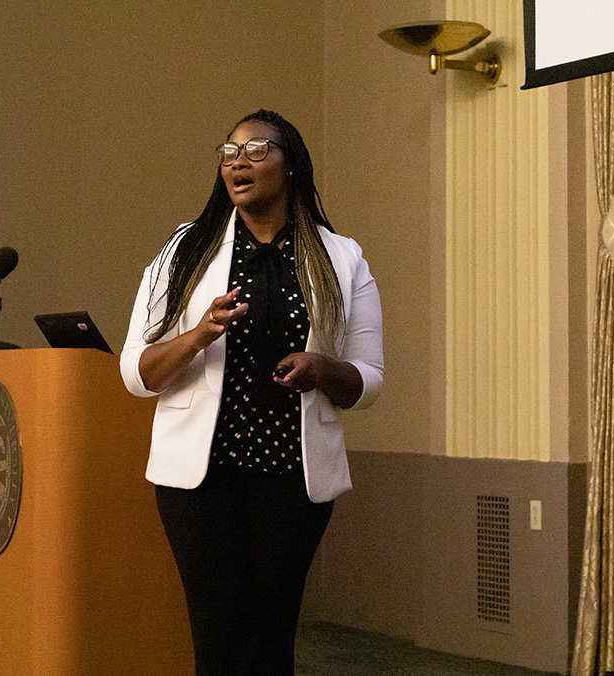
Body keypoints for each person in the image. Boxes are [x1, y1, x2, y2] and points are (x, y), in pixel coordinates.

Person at [119, 109, 384, 676]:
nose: (238, 162)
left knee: (271, 642)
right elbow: (136, 373)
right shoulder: (185, 251)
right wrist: (198, 335)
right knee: (218, 640)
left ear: (291, 166)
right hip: (200, 481)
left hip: (292, 480)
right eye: (229, 152)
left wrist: (322, 368)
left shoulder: (342, 258)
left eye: (257, 150)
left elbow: (369, 379)